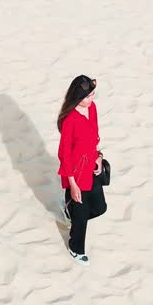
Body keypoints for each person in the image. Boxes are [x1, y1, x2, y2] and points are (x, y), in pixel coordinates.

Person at [57, 75, 103, 265]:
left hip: (91, 165)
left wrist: (99, 156)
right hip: (76, 173)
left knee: (100, 207)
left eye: (93, 94)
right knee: (81, 218)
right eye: (88, 96)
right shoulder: (70, 120)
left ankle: (71, 212)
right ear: (78, 97)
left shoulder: (92, 108)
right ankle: (75, 248)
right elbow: (64, 154)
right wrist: (73, 184)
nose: (92, 99)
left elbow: (95, 135)